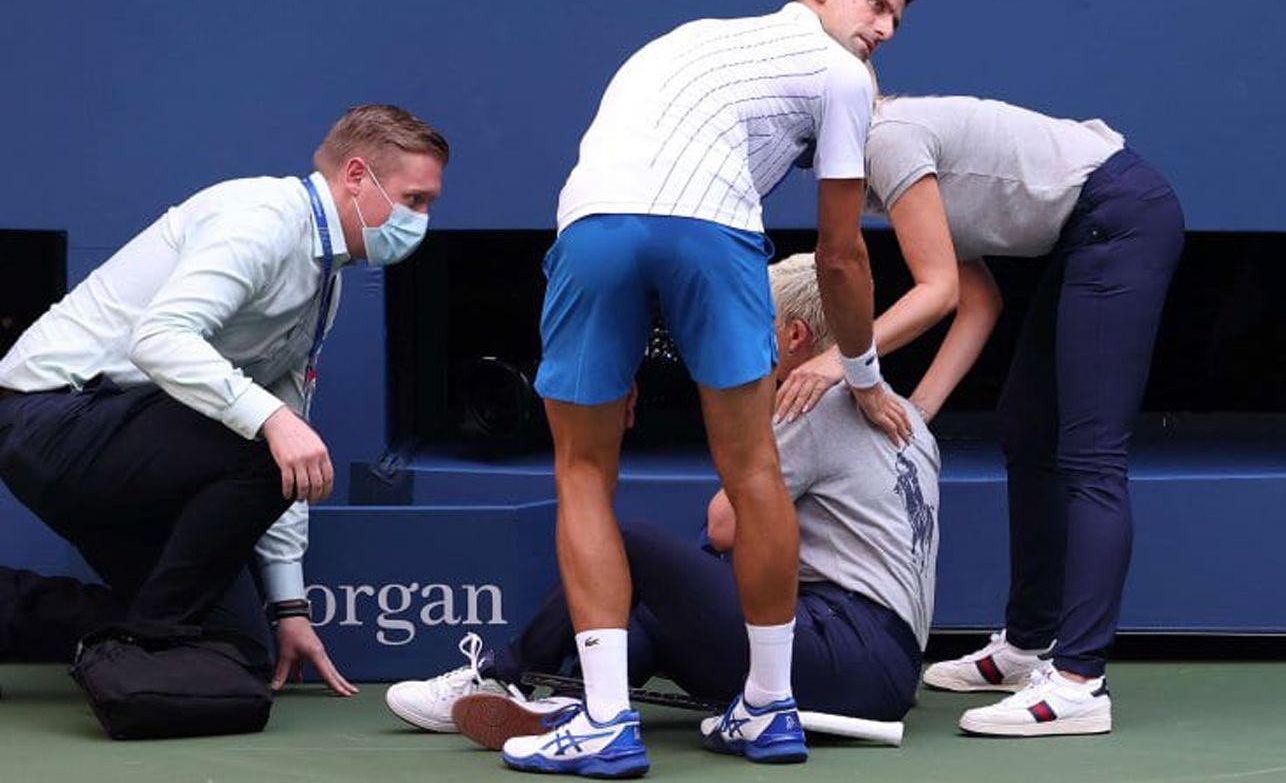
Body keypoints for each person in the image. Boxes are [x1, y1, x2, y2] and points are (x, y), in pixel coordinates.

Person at [517, 0, 921, 775]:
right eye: (875, 6)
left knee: (583, 471)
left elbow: (634, 196)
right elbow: (843, 257)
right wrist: (863, 375)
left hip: (594, 227)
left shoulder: (684, 38)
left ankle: (601, 721)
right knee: (754, 469)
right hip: (714, 233)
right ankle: (769, 710)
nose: (883, 29)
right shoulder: (844, 75)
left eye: (894, 20)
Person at [386, 253, 939, 752]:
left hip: (843, 650)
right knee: (650, 616)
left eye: (753, 324)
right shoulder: (908, 418)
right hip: (883, 669)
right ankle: (574, 698)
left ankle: (504, 671)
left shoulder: (812, 403)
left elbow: (723, 527)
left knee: (633, 546)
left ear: (795, 337)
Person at [0, 104, 448, 702]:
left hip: (128, 449)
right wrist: (270, 418)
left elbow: (292, 447)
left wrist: (288, 605)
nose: (420, 220)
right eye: (414, 201)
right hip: (49, 417)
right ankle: (148, 642)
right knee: (268, 441)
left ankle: (77, 622)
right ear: (358, 176)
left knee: (237, 650)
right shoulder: (260, 219)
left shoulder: (325, 279)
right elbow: (159, 338)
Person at [774, 94, 1186, 736]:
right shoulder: (877, 168)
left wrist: (842, 364)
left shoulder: (890, 139)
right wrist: (914, 413)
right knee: (1027, 424)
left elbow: (937, 293)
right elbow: (979, 299)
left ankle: (1080, 682)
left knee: (1091, 455)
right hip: (1093, 226)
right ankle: (1029, 645)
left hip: (1121, 215)